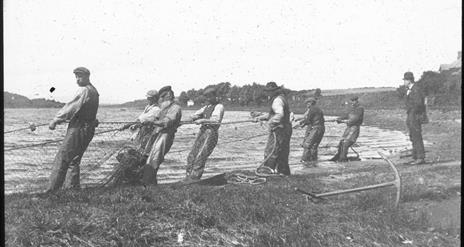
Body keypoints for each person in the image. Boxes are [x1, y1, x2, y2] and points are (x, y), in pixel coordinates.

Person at [47, 67, 99, 192]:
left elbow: (70, 107)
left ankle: (52, 191)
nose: (77, 79)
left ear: (87, 76)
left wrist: (55, 119)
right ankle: (72, 189)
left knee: (63, 157)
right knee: (74, 159)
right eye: (76, 77)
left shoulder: (84, 90)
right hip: (88, 128)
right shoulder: (94, 91)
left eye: (79, 76)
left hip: (78, 128)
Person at [140, 86, 182, 185]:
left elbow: (167, 122)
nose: (162, 99)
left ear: (171, 96)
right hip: (157, 133)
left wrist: (152, 122)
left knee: (155, 158)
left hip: (166, 135)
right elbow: (157, 119)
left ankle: (149, 184)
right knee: (150, 158)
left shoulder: (175, 108)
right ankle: (150, 182)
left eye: (164, 96)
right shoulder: (163, 108)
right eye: (161, 96)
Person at [184, 86, 225, 181]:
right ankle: (188, 177)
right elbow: (196, 115)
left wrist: (202, 120)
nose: (208, 99)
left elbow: (216, 120)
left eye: (210, 97)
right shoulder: (206, 107)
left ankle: (195, 178)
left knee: (201, 156)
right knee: (192, 154)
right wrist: (189, 119)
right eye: (206, 97)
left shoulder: (219, 107)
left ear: (215, 96)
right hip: (202, 131)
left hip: (211, 133)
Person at [253, 82, 292, 175]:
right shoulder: (281, 98)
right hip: (286, 128)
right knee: (283, 151)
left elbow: (279, 114)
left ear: (275, 91)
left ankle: (268, 171)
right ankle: (283, 173)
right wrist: (260, 118)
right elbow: (273, 114)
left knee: (271, 150)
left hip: (279, 130)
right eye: (267, 91)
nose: (267, 93)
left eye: (269, 91)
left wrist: (270, 123)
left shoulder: (277, 100)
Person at [121, 90, 161, 162]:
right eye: (147, 98)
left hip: (148, 134)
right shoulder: (148, 107)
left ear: (155, 99)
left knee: (144, 153)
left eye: (149, 98)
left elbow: (140, 121)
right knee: (138, 151)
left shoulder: (156, 109)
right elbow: (139, 119)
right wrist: (129, 125)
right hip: (142, 133)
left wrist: (126, 126)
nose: (147, 99)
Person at [329, 96, 364, 162]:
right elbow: (346, 115)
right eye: (351, 101)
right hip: (348, 128)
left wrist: (342, 121)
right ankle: (338, 157)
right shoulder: (352, 108)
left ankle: (342, 159)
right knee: (341, 142)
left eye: (354, 101)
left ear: (357, 101)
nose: (352, 103)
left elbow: (354, 120)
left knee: (346, 143)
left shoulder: (360, 109)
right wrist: (339, 118)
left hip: (354, 128)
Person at [403, 72, 426, 165]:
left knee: (416, 136)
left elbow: (419, 104)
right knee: (413, 136)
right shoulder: (410, 89)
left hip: (415, 116)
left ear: (409, 80)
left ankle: (420, 157)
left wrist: (412, 111)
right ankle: (416, 157)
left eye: (405, 80)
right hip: (411, 115)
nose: (404, 82)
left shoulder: (416, 89)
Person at [295, 97, 325, 166]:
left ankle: (304, 161)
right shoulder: (318, 109)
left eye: (307, 103)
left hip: (316, 128)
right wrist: (302, 124)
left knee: (307, 145)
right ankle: (313, 161)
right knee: (314, 146)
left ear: (311, 103)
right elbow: (311, 120)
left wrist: (299, 124)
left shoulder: (312, 109)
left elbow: (308, 120)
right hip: (321, 128)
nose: (306, 105)